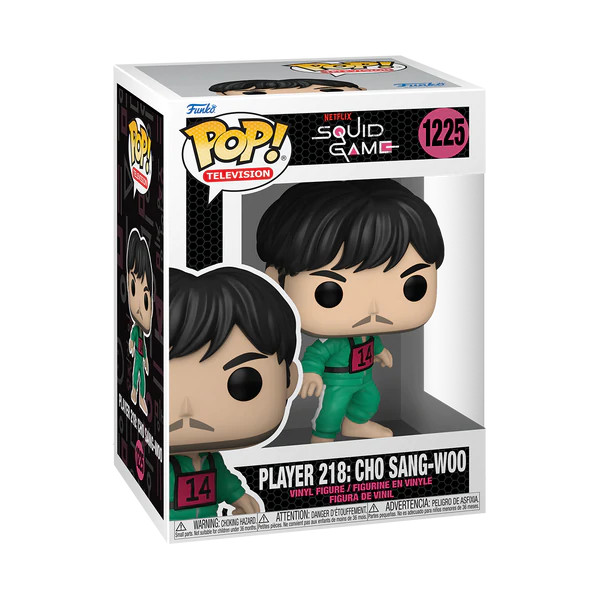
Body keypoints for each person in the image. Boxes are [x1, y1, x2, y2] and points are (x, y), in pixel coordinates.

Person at [256, 179, 444, 443]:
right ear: (277, 281)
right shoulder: (332, 342)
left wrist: (380, 351)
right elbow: (315, 355)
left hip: (364, 377)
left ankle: (355, 424)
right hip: (338, 382)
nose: (374, 309)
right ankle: (322, 437)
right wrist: (311, 373)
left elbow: (373, 342)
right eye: (329, 292)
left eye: (413, 286)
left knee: (370, 400)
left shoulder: (367, 334)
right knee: (331, 410)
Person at [169, 266, 299, 520]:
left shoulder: (211, 461)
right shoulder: (164, 463)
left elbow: (223, 481)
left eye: (244, 383)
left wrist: (238, 496)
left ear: (289, 381)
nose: (187, 409)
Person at [126, 229, 154, 416]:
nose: (138, 308)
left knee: (142, 378)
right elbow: (132, 339)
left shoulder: (143, 333)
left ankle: (140, 396)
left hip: (141, 356)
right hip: (137, 355)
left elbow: (144, 350)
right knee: (136, 372)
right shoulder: (136, 329)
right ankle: (134, 392)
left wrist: (146, 362)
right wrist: (131, 345)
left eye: (145, 301)